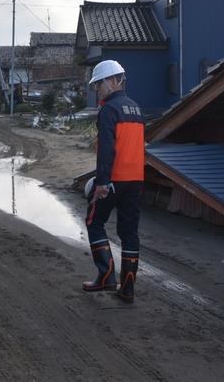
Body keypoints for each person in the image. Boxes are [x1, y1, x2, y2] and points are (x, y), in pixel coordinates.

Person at [82, 59, 145, 303]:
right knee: (129, 232)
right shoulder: (136, 108)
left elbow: (107, 149)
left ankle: (106, 275)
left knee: (94, 221)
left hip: (114, 180)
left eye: (99, 84)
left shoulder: (109, 110)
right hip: (135, 179)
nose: (98, 89)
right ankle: (127, 287)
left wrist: (101, 182)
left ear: (114, 81)